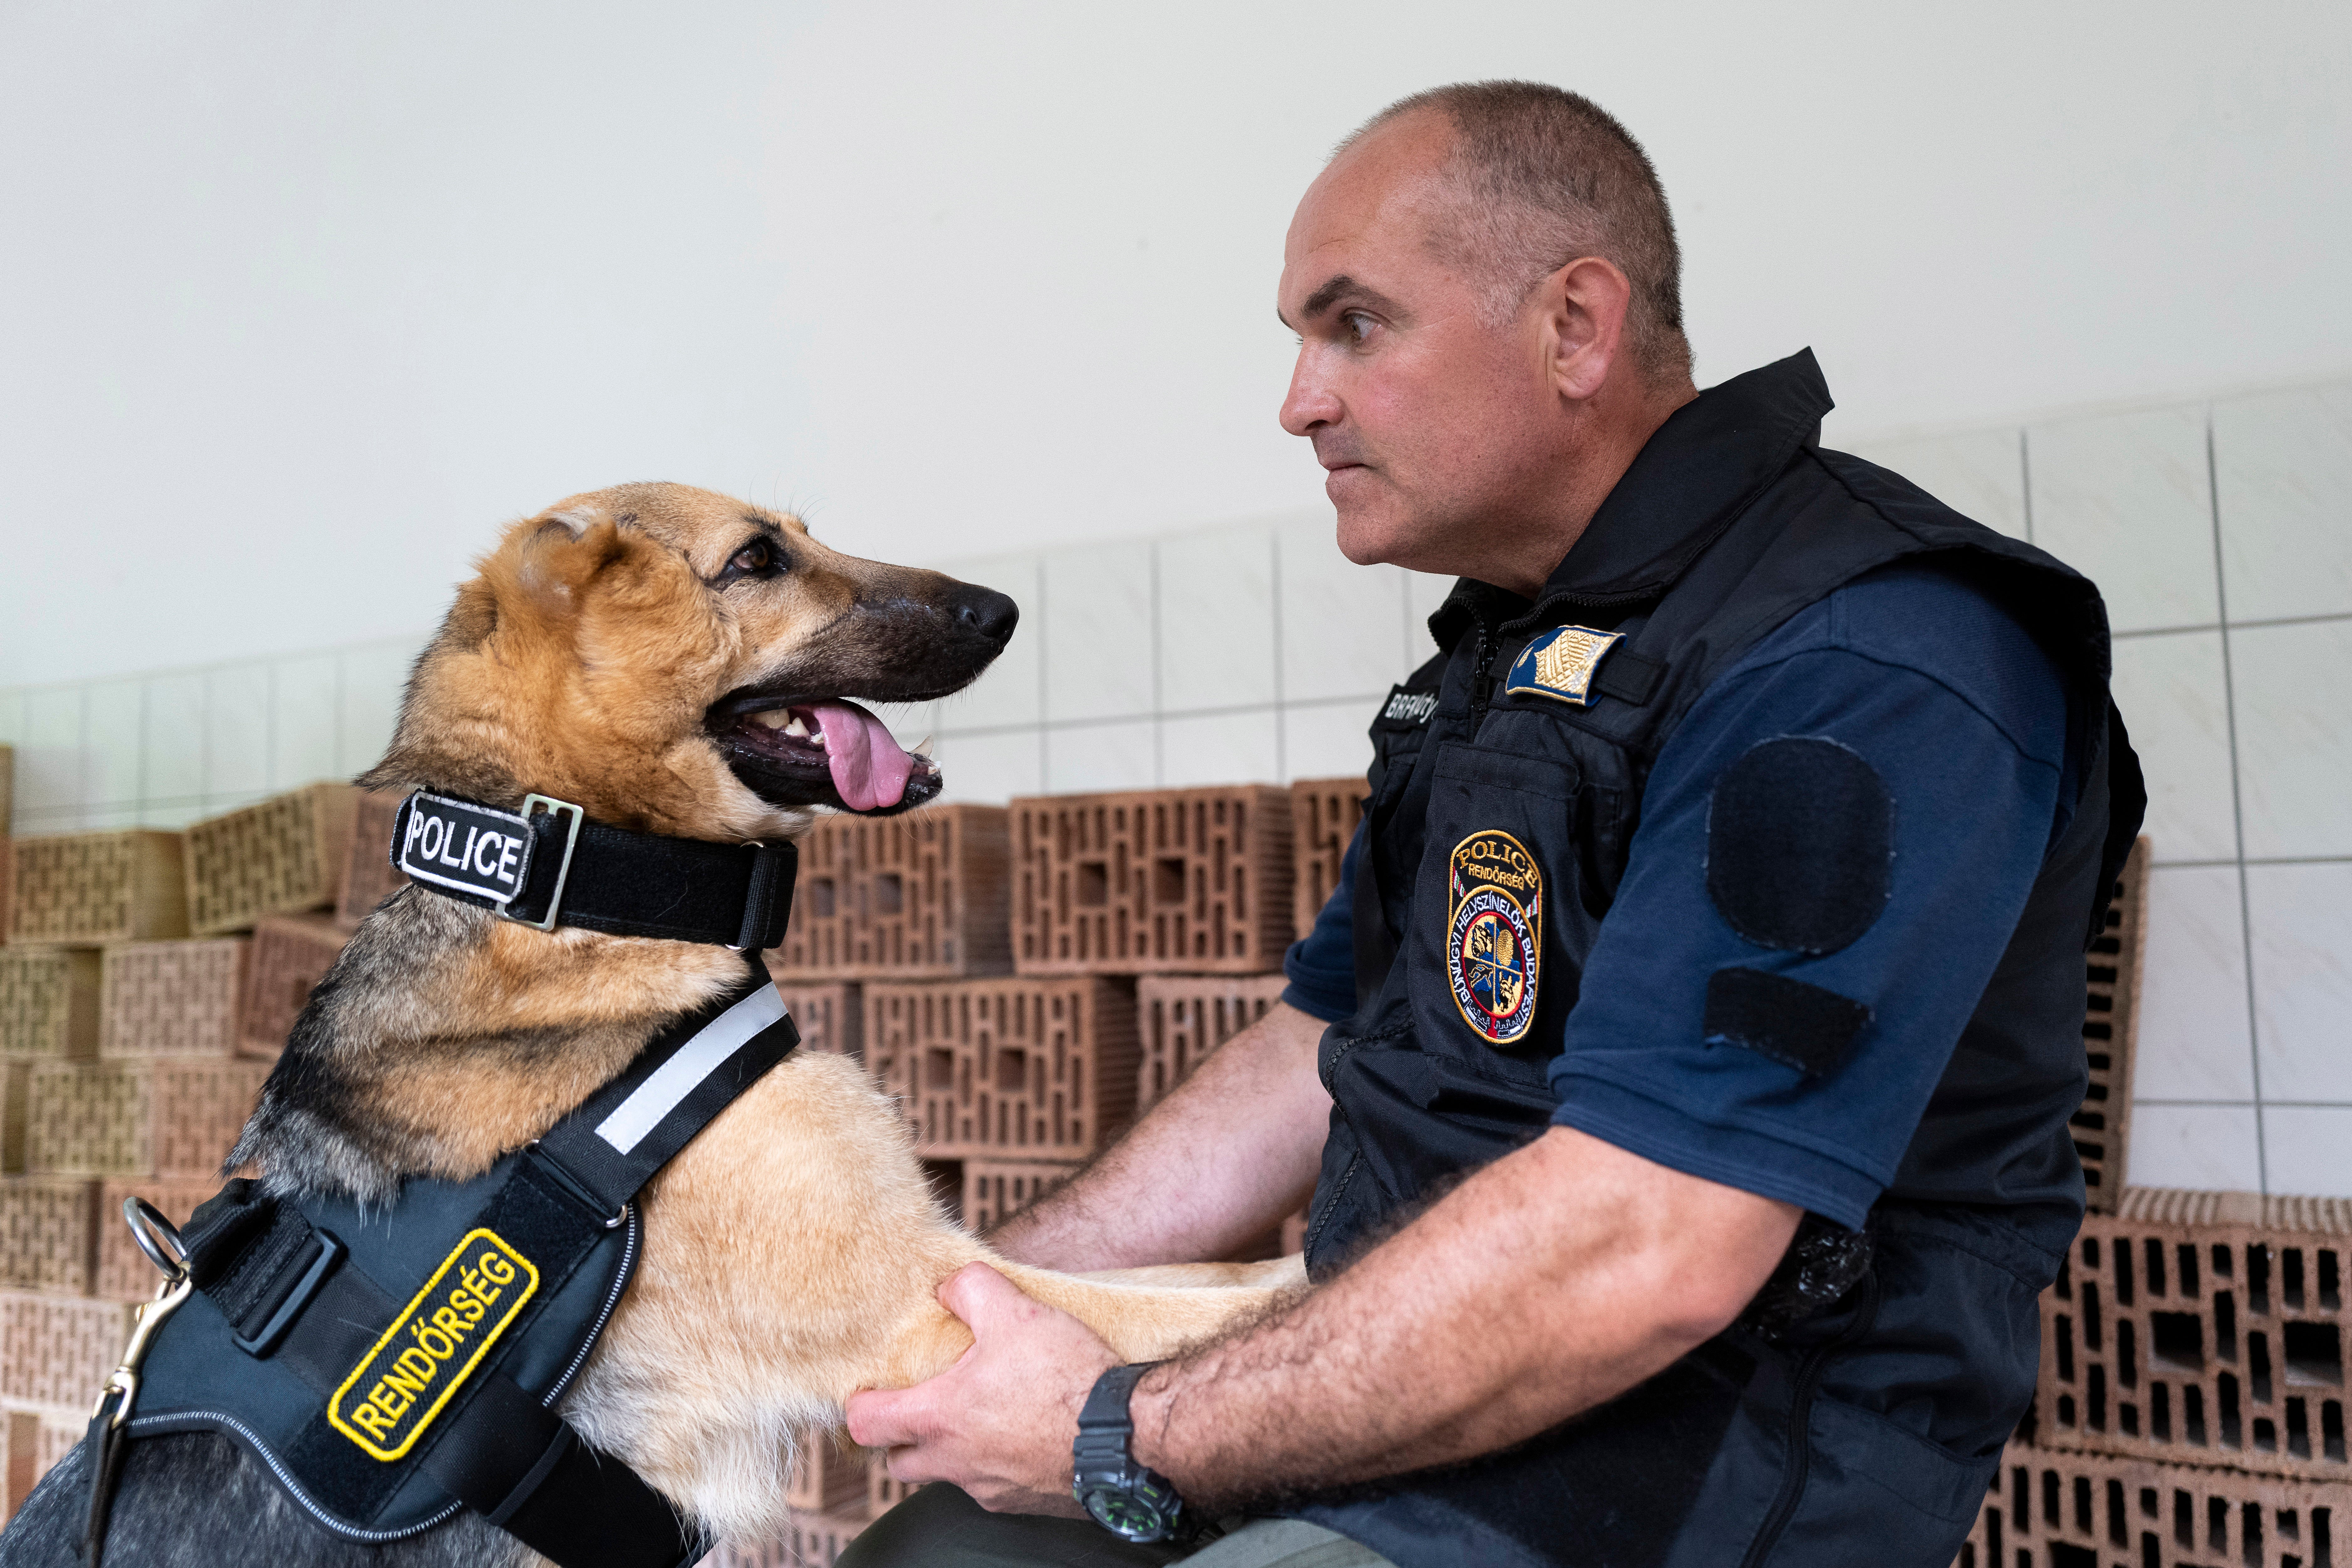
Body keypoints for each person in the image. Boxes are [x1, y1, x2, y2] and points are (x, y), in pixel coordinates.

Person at [840, 80, 2142, 1568]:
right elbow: (1314, 1053)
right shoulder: (1512, 658)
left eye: (1355, 325)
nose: (1299, 398)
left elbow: (1652, 1243)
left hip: (1677, 1484)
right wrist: (954, 1296)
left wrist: (1117, 1429)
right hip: (1405, 1428)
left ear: (1574, 326)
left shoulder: (1859, 658)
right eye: (1298, 342)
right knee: (931, 1552)